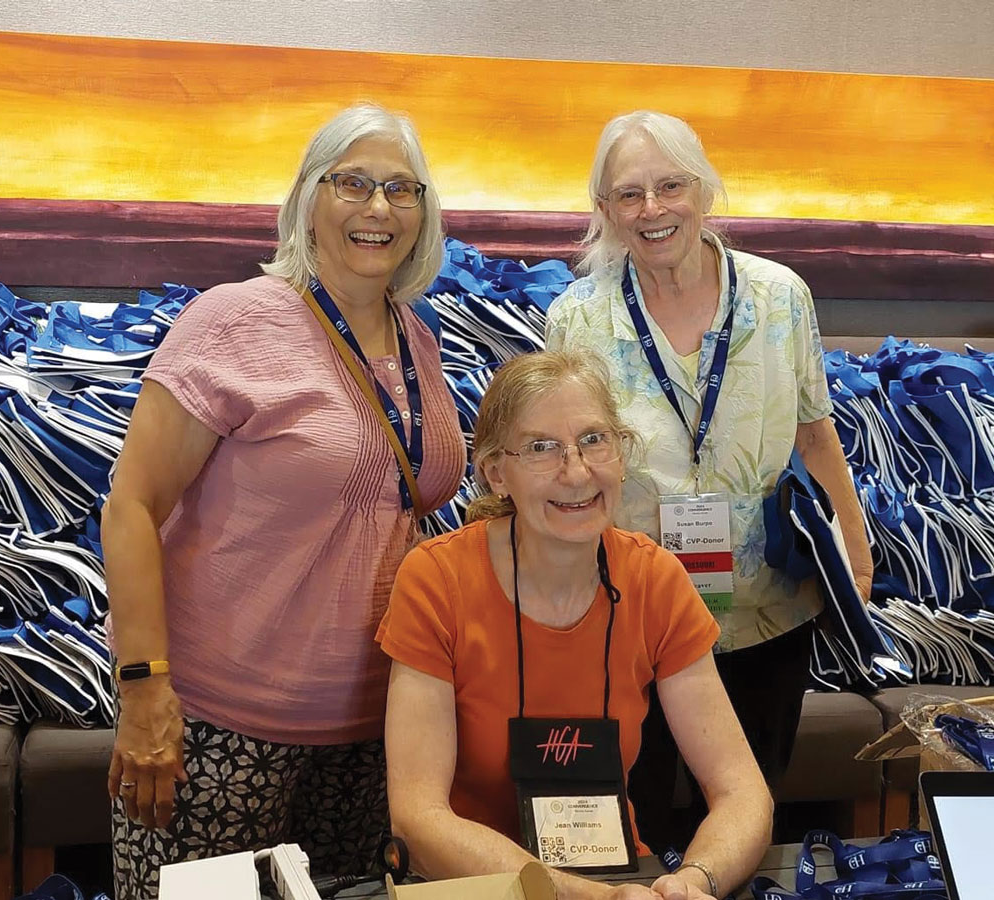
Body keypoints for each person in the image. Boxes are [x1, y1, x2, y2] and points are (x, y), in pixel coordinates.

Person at [102, 103, 466, 898]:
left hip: (380, 730)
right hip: (222, 730)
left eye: (402, 189)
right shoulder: (233, 321)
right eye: (354, 183)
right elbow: (130, 504)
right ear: (308, 197)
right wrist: (144, 688)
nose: (379, 208)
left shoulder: (418, 337)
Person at [545, 111, 872, 851]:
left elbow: (815, 431)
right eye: (628, 195)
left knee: (747, 814)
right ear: (603, 212)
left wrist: (855, 546)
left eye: (670, 186)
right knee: (639, 822)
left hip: (767, 610)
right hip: (633, 618)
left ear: (705, 191)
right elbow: (565, 468)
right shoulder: (578, 321)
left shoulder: (781, 296)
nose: (652, 209)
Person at [380, 350, 772, 900]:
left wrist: (694, 881)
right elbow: (418, 819)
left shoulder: (654, 579)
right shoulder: (436, 580)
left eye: (594, 439)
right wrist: (586, 896)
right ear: (496, 472)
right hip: (476, 886)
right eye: (542, 448)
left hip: (623, 879)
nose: (577, 471)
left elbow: (742, 792)